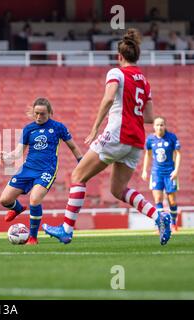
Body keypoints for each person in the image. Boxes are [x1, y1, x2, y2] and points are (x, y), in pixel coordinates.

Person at [43, 29, 173, 246]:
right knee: (118, 190)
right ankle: (159, 216)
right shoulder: (145, 82)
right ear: (136, 56)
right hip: (136, 140)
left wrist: (95, 128)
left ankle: (66, 230)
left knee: (77, 176)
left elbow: (108, 98)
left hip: (117, 134)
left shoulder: (116, 73)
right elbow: (150, 116)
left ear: (120, 56)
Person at [0, 98, 83, 245]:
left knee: (35, 199)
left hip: (46, 170)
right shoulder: (28, 129)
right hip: (27, 169)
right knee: (5, 200)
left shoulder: (58, 127)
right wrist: (7, 156)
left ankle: (33, 238)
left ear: (50, 113)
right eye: (36, 113)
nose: (39, 117)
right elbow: (19, 152)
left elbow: (74, 147)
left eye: (42, 114)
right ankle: (18, 209)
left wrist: (82, 163)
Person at [141, 117, 181, 232]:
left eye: (162, 125)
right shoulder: (150, 139)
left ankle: (174, 224)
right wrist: (144, 170)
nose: (159, 127)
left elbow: (178, 154)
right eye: (157, 125)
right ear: (154, 126)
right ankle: (162, 226)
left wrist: (176, 170)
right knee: (158, 199)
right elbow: (147, 155)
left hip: (170, 172)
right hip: (156, 172)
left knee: (172, 201)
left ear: (165, 126)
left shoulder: (172, 137)